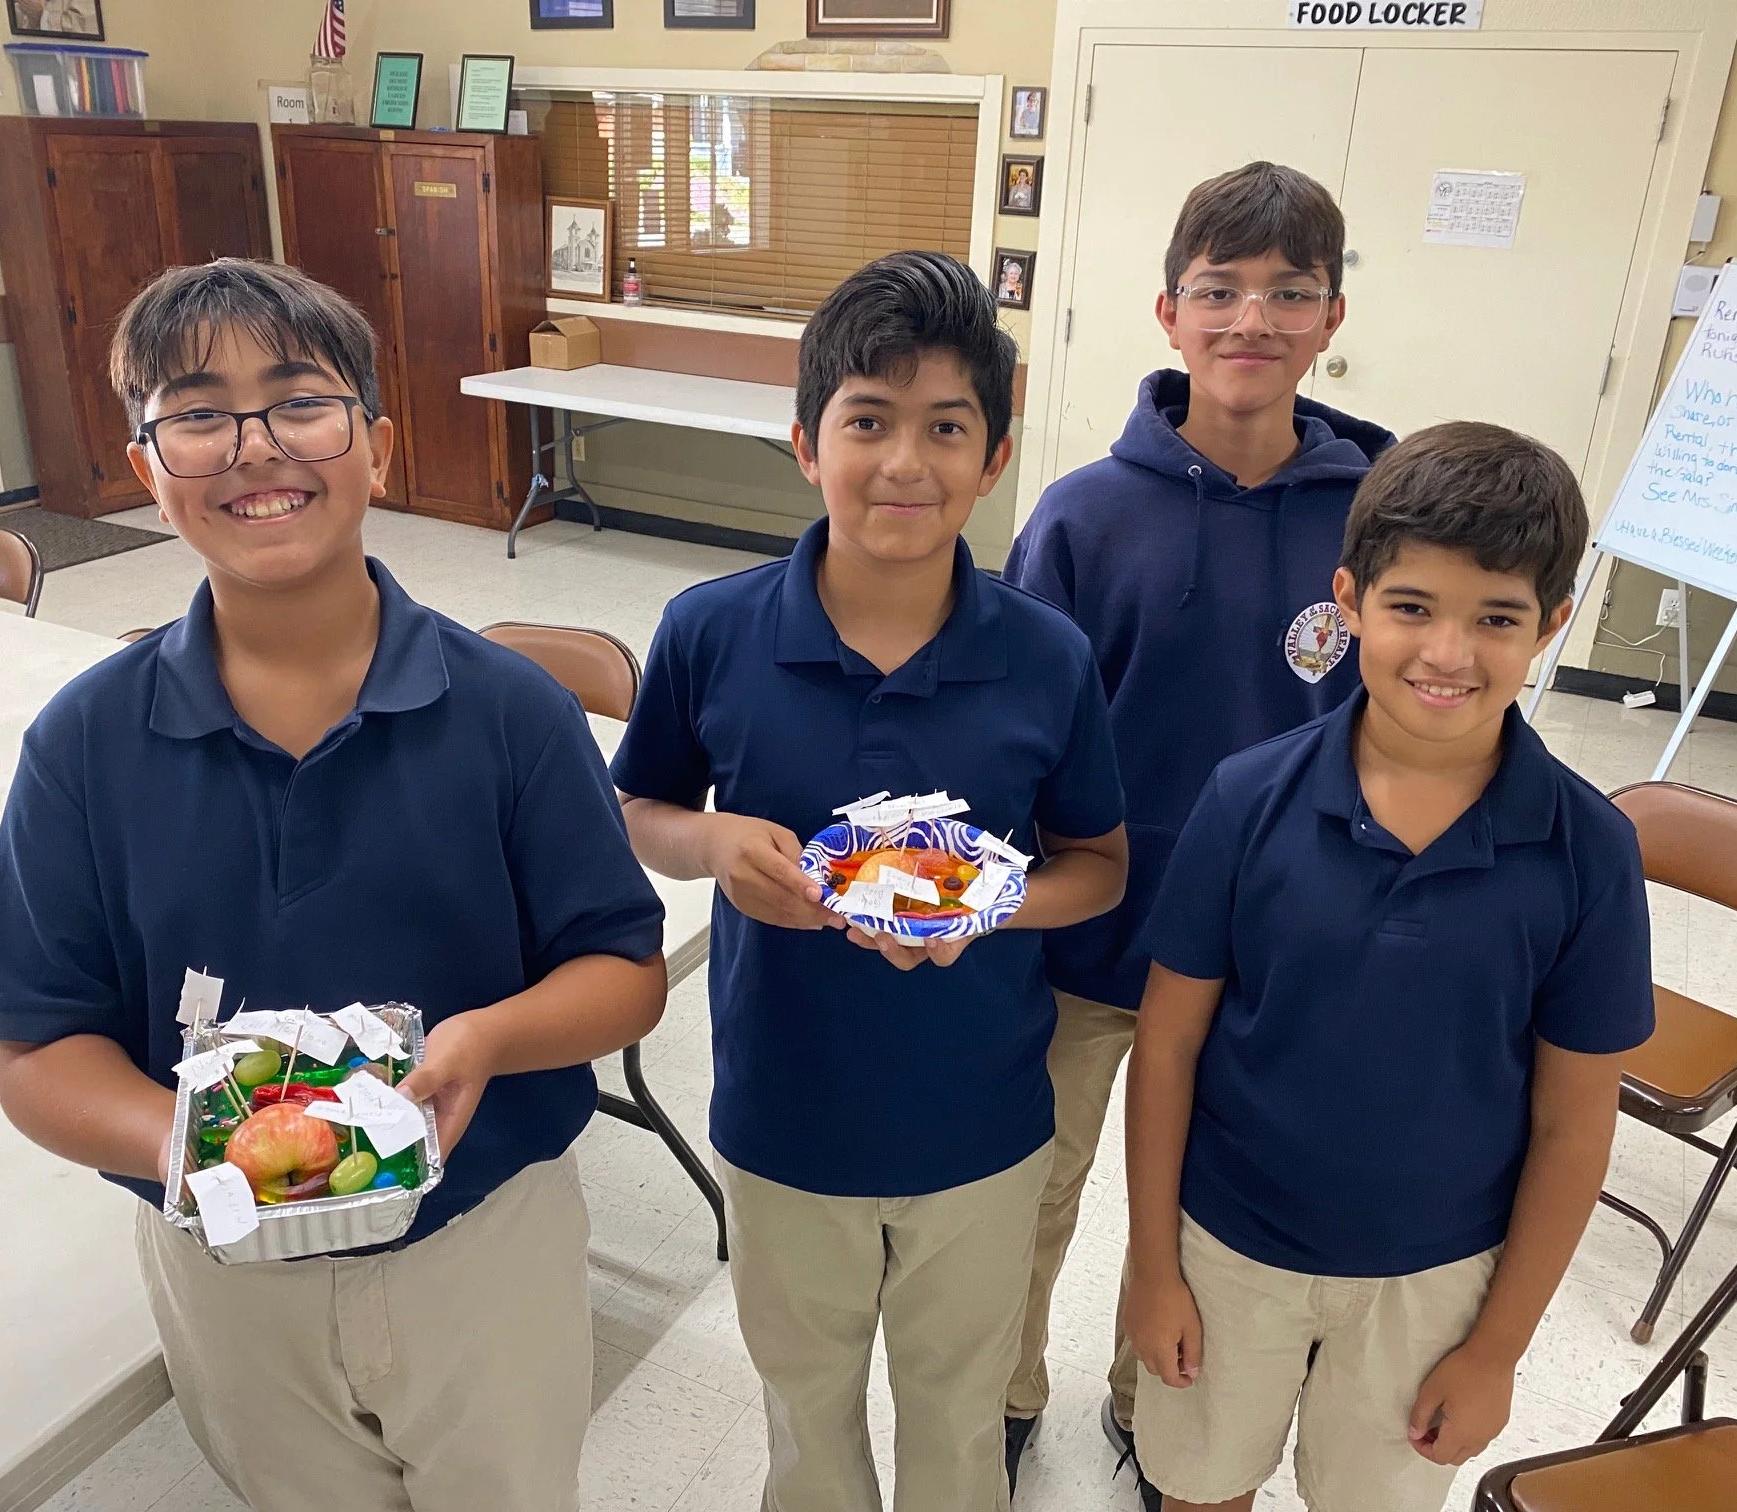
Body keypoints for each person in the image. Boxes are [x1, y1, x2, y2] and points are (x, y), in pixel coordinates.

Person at [0, 258, 669, 1512]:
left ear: (378, 449)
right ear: (147, 471)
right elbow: (36, 1049)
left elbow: (623, 976)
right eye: (198, 413)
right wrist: (195, 1148)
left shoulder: (512, 716)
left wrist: (485, 1040)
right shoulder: (85, 744)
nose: (255, 445)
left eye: (299, 400)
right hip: (223, 1262)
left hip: (481, 1239)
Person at [613, 250, 1129, 1512]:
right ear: (806, 443)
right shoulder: (712, 632)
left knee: (958, 1413)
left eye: (947, 427)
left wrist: (992, 904)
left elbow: (1099, 869)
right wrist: (712, 847)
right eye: (868, 421)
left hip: (983, 1121)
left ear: (994, 458)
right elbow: (641, 812)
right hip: (785, 1110)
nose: (906, 462)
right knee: (807, 1410)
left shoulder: (1046, 658)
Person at [1125, 422, 1655, 1512]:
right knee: (1199, 1489)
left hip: (1438, 1276)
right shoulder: (1245, 798)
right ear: (1350, 600)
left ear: (1553, 623)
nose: (1448, 654)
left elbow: (1573, 1124)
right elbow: (1168, 1045)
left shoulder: (1590, 850)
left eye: (1496, 618)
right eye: (1412, 607)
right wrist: (1153, 1266)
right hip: (1230, 1246)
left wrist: (1498, 1348)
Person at [1000, 160, 1396, 1501]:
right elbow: (1017, 729)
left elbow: (1397, 726)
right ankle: (1005, 1391)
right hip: (1084, 937)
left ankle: (1146, 1405)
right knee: (1037, 1188)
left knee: (1195, 1219)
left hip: (1261, 957)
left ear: (1332, 315)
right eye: (1219, 291)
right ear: (1169, 312)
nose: (1252, 321)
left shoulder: (1376, 510)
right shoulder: (1082, 515)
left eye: (1289, 292)